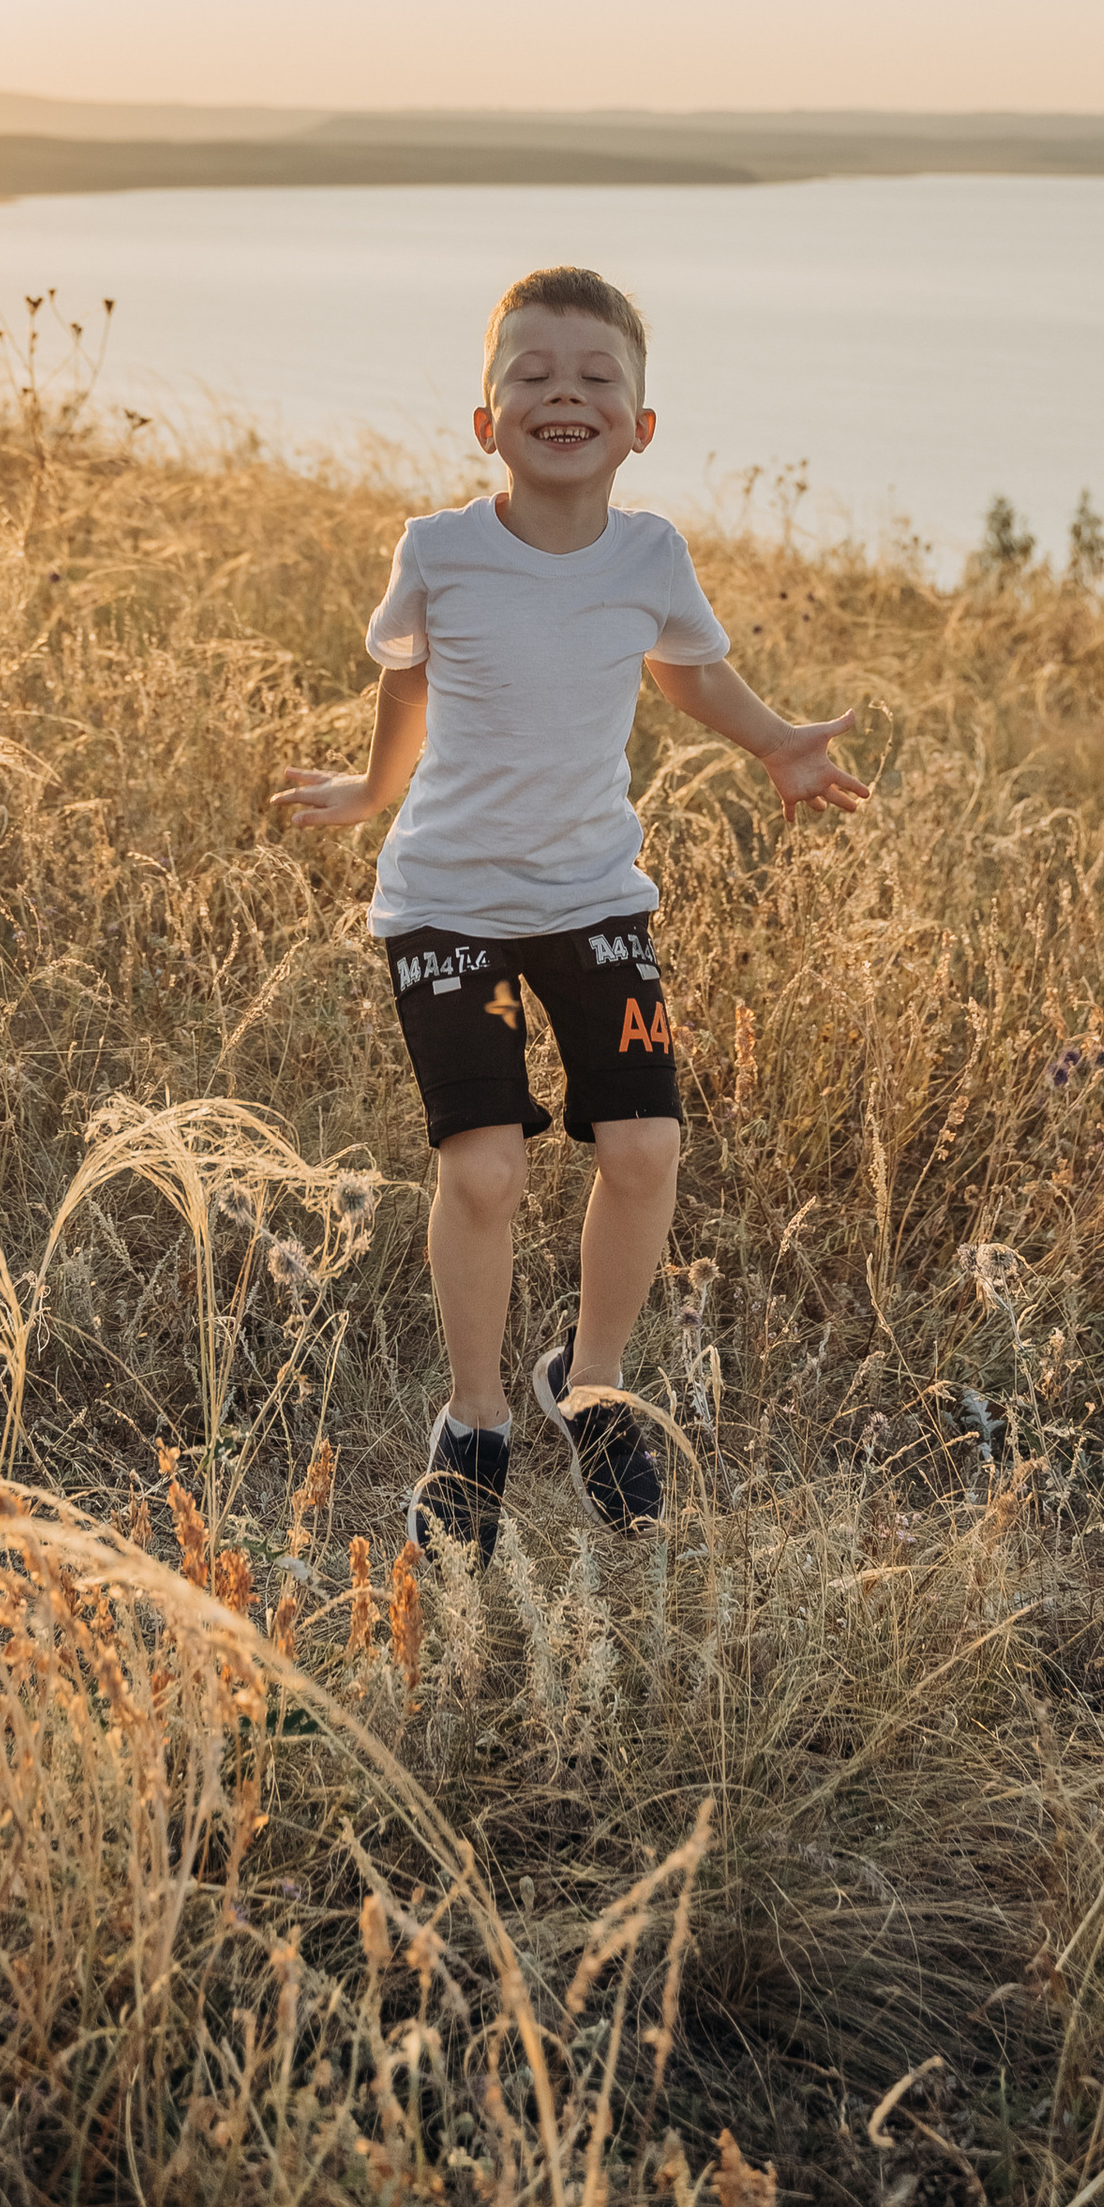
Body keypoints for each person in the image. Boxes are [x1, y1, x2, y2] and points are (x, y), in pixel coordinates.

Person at [275, 264, 866, 1565]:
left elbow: (689, 669)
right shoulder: (439, 551)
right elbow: (407, 688)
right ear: (485, 423)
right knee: (484, 1167)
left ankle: (589, 1387)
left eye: (597, 378)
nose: (565, 395)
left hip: (596, 897)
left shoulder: (651, 554)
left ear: (641, 427)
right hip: (448, 909)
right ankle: (475, 1424)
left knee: (646, 1150)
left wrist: (777, 747)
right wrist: (372, 791)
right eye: (530, 375)